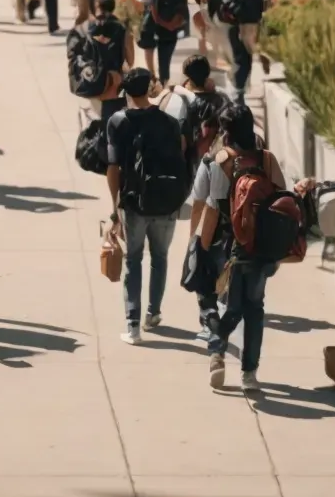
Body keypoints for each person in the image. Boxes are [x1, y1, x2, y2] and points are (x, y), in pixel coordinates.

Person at [197, 103, 287, 393]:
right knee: (255, 308)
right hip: (262, 246)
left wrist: (200, 246)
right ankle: (249, 373)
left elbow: (212, 208)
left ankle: (216, 352)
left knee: (231, 306)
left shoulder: (219, 160)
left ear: (226, 131)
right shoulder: (267, 159)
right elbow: (282, 199)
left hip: (230, 247)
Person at [106, 68, 187, 345]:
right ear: (151, 87)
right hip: (166, 200)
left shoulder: (118, 121)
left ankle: (133, 326)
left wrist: (114, 206)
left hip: (133, 201)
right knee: (160, 257)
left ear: (126, 91)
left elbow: (113, 168)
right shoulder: (169, 122)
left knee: (133, 259)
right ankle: (153, 314)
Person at [170, 57, 232, 341]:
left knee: (203, 241)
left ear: (186, 76)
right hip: (223, 172)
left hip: (196, 170)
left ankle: (209, 311)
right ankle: (224, 290)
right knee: (222, 239)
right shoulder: (221, 101)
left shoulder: (181, 100)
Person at [80, 0, 134, 119]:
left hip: (91, 78)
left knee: (95, 116)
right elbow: (130, 60)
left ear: (97, 7)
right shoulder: (121, 28)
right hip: (113, 80)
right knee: (110, 118)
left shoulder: (87, 26)